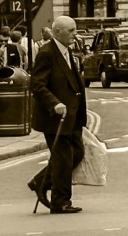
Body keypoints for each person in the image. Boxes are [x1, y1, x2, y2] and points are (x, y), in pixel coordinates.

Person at [28, 17, 88, 214]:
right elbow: (37, 84)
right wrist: (54, 104)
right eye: (71, 31)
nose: (74, 34)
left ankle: (40, 181)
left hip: (72, 116)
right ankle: (60, 201)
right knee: (63, 159)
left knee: (77, 153)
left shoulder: (66, 50)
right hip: (56, 117)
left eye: (75, 30)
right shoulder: (46, 53)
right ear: (58, 32)